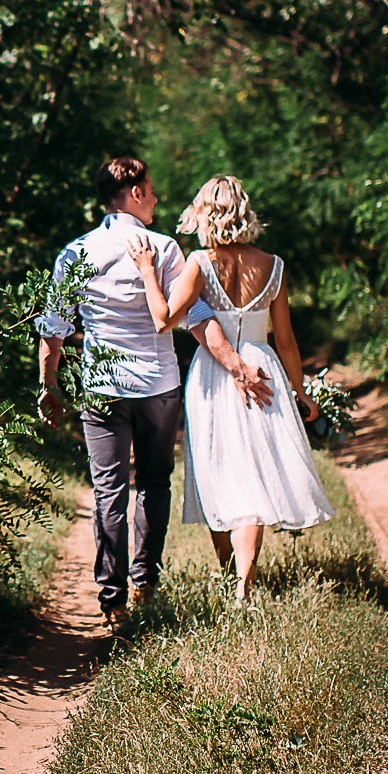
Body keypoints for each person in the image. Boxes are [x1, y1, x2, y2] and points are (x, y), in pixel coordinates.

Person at [36, 158, 275, 624]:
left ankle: (113, 601)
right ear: (136, 193)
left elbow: (53, 330)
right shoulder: (164, 249)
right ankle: (144, 584)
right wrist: (237, 366)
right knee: (153, 484)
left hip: (102, 387)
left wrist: (49, 387)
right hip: (158, 385)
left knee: (108, 491)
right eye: (152, 189)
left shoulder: (75, 252)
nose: (158, 198)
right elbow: (196, 318)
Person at [128, 174, 333, 606]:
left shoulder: (200, 263)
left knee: (218, 471)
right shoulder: (273, 265)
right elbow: (287, 340)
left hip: (213, 376)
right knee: (254, 477)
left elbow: (164, 319)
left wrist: (149, 272)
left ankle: (231, 577)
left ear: (206, 214)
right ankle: (241, 582)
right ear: (245, 212)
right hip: (263, 372)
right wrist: (300, 391)